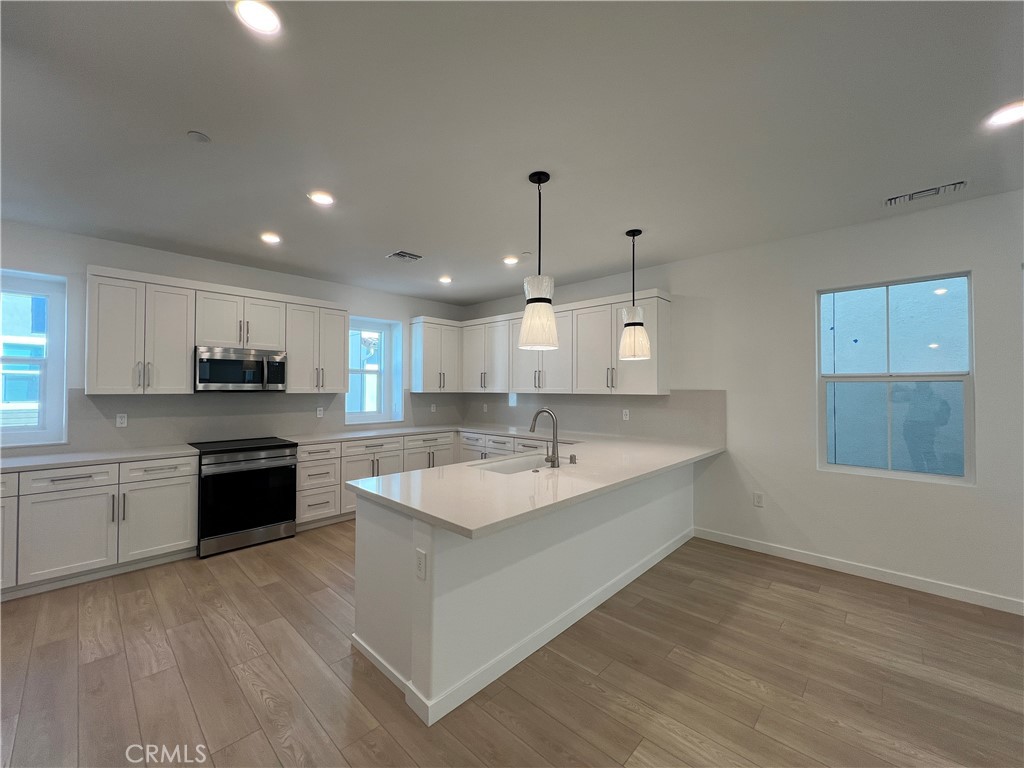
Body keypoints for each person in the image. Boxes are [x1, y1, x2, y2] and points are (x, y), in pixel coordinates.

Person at [893, 382, 950, 473]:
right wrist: (895, 389)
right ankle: (922, 474)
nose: (917, 383)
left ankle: (932, 475)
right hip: (912, 427)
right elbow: (893, 399)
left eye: (920, 382)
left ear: (928, 383)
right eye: (917, 382)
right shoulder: (913, 394)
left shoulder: (934, 396)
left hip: (923, 427)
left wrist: (905, 390)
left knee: (927, 453)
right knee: (916, 454)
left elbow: (932, 408)